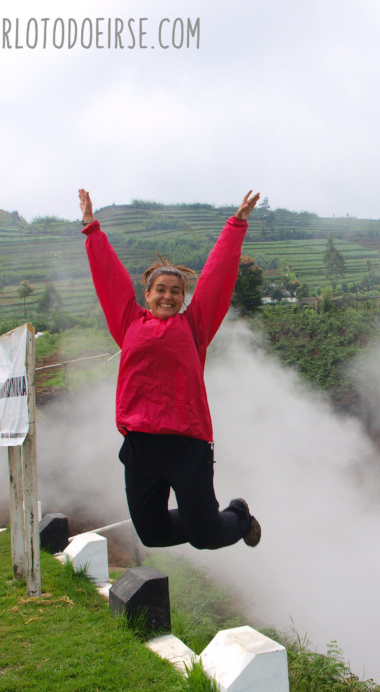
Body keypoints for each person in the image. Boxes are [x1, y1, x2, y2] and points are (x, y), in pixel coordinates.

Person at [78, 187, 261, 550]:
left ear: (183, 297)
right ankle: (202, 522)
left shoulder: (194, 327)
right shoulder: (128, 321)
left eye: (176, 291)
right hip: (141, 445)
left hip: (187, 444)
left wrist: (235, 225)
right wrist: (91, 228)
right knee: (153, 534)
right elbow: (109, 279)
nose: (168, 296)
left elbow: (216, 279)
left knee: (205, 537)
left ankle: (238, 515)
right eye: (160, 289)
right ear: (146, 294)